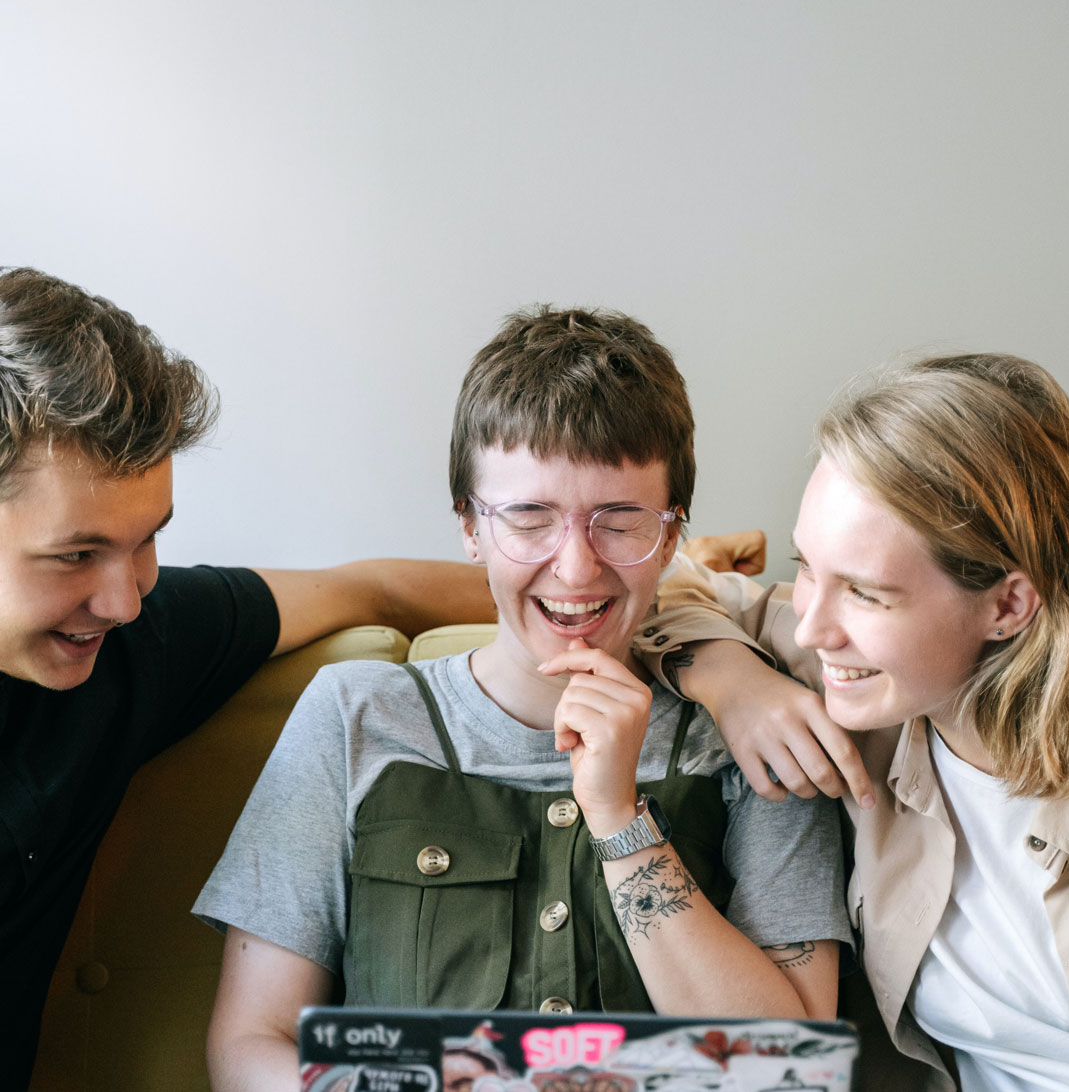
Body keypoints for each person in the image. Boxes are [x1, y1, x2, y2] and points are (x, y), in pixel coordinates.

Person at [195, 306, 851, 1091]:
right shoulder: (355, 714)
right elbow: (250, 1047)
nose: (575, 569)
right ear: (470, 528)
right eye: (530, 518)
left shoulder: (754, 738)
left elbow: (791, 1071)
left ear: (672, 536)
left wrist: (620, 821)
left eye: (620, 522)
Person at [0, 266, 504, 1089]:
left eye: (147, 539)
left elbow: (372, 589)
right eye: (76, 555)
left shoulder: (129, 648)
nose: (124, 600)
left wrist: (672, 597)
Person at [641, 353, 1069, 1090]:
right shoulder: (858, 681)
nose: (813, 627)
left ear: (1008, 604)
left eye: (866, 594)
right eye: (807, 567)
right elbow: (669, 587)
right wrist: (733, 681)